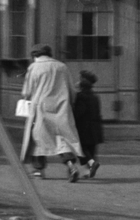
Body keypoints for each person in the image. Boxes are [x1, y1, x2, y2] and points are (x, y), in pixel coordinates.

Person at [20, 44, 85, 181]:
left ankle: (38, 170)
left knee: (38, 139)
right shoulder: (62, 67)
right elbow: (72, 90)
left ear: (35, 55)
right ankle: (71, 165)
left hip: (41, 108)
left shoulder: (34, 68)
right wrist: (70, 104)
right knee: (62, 138)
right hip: (61, 107)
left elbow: (27, 91)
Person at [72, 69, 104, 178]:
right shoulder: (95, 96)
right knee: (91, 149)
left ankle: (91, 164)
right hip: (95, 127)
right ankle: (89, 170)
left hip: (83, 127)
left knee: (81, 149)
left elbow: (79, 113)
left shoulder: (80, 96)